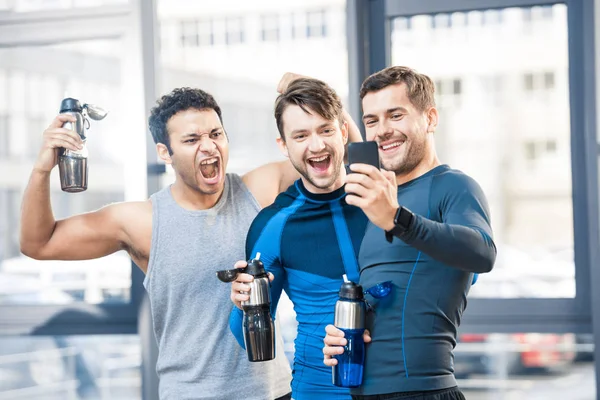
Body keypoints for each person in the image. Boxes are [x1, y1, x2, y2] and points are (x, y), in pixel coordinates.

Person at [19, 84, 307, 400]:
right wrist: (42, 168)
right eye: (192, 140)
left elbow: (332, 155)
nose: (209, 146)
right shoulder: (142, 221)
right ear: (164, 152)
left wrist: (308, 90)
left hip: (273, 393)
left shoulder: (257, 192)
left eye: (216, 134)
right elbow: (38, 243)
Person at [322, 66, 497, 400]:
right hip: (361, 392)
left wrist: (397, 218)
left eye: (396, 115)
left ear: (430, 118)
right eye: (371, 120)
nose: (382, 131)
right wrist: (343, 336)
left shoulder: (454, 186)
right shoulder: (375, 200)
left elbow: (483, 253)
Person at [229, 77, 368, 400]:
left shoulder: (382, 200)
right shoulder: (274, 225)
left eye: (325, 130)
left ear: (343, 132)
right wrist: (241, 305)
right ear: (284, 146)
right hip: (318, 391)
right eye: (301, 136)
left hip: (399, 388)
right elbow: (247, 337)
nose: (316, 145)